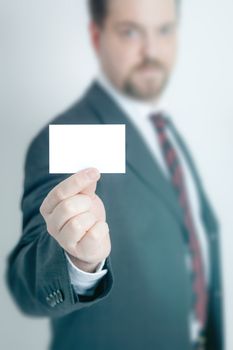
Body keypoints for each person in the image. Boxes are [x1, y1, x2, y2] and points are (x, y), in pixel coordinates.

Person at [6, 0, 224, 349]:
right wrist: (77, 260)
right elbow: (26, 286)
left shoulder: (168, 135)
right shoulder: (72, 134)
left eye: (164, 30)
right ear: (97, 36)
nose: (151, 50)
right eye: (130, 31)